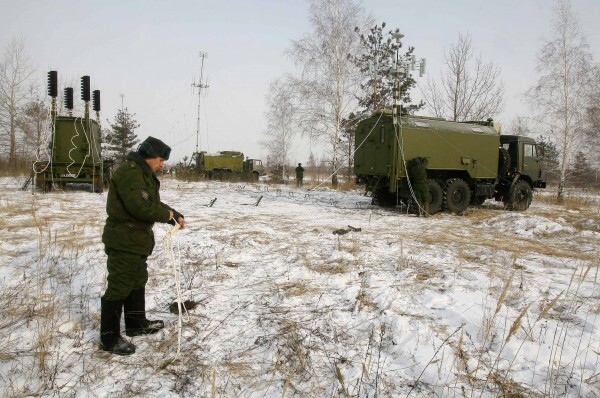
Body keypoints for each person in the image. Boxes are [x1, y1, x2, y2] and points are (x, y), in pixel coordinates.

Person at [100, 136, 185, 355]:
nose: (162, 164)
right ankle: (109, 338)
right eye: (160, 159)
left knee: (137, 280)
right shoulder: (131, 173)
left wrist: (173, 215)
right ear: (149, 156)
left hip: (136, 239)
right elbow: (139, 207)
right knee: (119, 285)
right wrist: (165, 214)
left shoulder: (142, 173)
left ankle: (136, 324)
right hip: (123, 239)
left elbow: (151, 203)